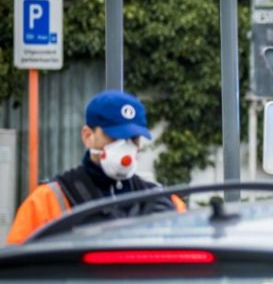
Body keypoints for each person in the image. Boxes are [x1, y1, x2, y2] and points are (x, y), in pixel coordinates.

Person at [6, 90, 185, 245]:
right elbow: (15, 272)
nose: (126, 147)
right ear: (87, 136)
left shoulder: (166, 201)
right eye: (114, 137)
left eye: (133, 139)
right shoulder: (48, 201)